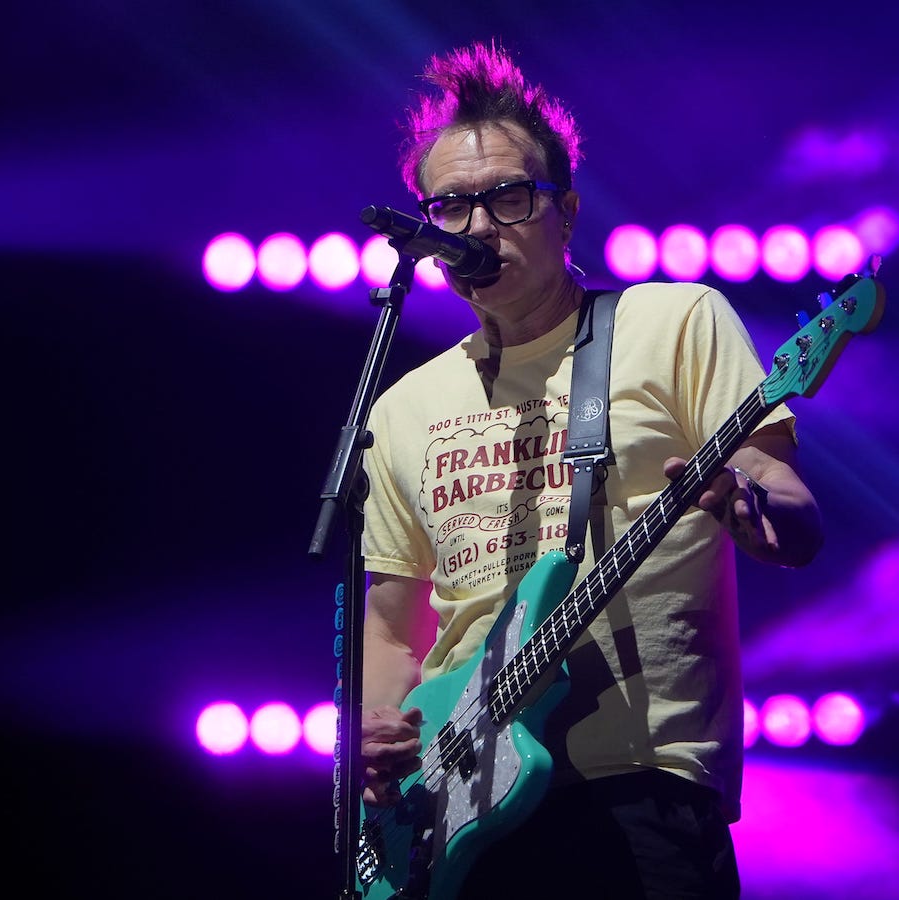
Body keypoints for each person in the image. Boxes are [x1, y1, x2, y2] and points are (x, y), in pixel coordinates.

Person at [355, 39, 823, 899]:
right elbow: (391, 632)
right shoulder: (402, 409)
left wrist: (753, 502)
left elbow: (791, 508)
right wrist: (380, 737)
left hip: (640, 786)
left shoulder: (672, 321)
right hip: (451, 811)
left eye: (508, 196)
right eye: (452, 207)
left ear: (565, 212)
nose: (481, 226)